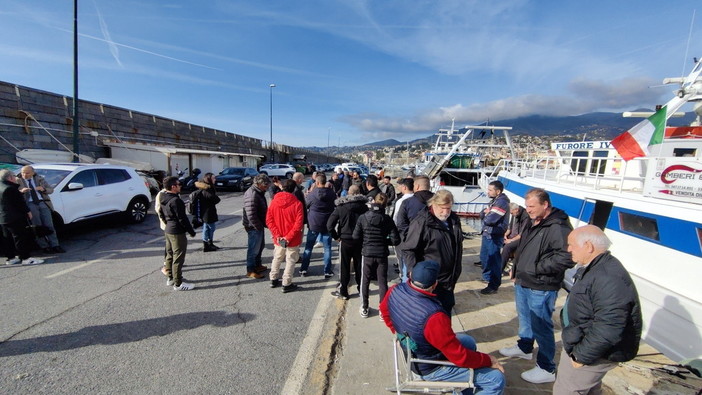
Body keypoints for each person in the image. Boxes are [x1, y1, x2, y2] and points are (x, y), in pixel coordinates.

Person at [380, 260, 506, 394]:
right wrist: (489, 360)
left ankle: (460, 390)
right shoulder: (434, 316)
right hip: (429, 368)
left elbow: (384, 312)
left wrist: (401, 336)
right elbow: (459, 357)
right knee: (496, 379)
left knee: (468, 342)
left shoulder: (395, 290)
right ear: (434, 284)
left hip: (416, 352)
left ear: (411, 275)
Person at [553, 225, 642, 395]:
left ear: (588, 246)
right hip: (583, 342)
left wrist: (581, 356)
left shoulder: (608, 277)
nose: (568, 248)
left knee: (567, 390)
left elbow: (610, 326)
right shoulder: (597, 267)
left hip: (591, 353)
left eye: (571, 244)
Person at [499, 188, 574, 384]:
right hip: (524, 281)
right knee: (525, 318)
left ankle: (547, 367)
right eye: (527, 206)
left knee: (541, 326)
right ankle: (524, 347)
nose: (528, 210)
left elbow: (567, 257)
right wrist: (516, 269)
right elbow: (523, 247)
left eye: (532, 206)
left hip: (541, 285)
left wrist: (535, 268)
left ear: (545, 205)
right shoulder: (533, 221)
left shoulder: (559, 227)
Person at [400, 189, 462, 313]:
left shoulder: (454, 220)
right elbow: (408, 249)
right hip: (431, 281)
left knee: (446, 312)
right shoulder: (421, 222)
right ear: (433, 204)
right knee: (430, 316)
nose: (445, 213)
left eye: (448, 208)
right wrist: (412, 271)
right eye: (442, 208)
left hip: (449, 280)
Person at [352, 193, 400, 318]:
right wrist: (384, 241)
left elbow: (355, 237)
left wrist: (366, 242)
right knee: (382, 281)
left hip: (367, 252)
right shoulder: (387, 219)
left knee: (365, 280)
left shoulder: (363, 217)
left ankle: (364, 307)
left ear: (373, 201)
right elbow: (396, 240)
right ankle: (382, 310)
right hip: (382, 253)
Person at [327, 184, 368, 300]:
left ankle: (343, 291)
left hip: (345, 239)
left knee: (344, 266)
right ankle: (361, 289)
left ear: (348, 193)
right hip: (360, 239)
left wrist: (336, 236)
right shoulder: (365, 208)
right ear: (359, 193)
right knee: (359, 265)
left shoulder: (341, 207)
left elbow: (329, 225)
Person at [157, 176, 196, 291]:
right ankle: (178, 283)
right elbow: (182, 219)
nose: (180, 186)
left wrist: (166, 223)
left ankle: (170, 278)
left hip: (168, 229)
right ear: (173, 187)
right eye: (179, 184)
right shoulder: (176, 200)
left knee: (169, 255)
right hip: (177, 231)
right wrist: (191, 231)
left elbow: (160, 212)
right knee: (178, 257)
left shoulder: (163, 196)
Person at [266, 179, 304, 294]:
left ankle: (273, 278)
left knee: (277, 257)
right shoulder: (297, 204)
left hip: (278, 238)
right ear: (294, 189)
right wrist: (288, 237)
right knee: (290, 260)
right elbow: (298, 224)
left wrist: (277, 235)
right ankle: (286, 283)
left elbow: (269, 220)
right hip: (291, 239)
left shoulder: (274, 201)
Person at [0, 169, 44, 265]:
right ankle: (25, 258)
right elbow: (19, 203)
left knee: (7, 238)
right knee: (20, 238)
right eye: (14, 176)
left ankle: (11, 258)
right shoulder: (11, 188)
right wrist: (28, 211)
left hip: (2, 217)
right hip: (14, 217)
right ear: (10, 177)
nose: (16, 178)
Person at [17, 165, 64, 253]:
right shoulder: (18, 181)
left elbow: (51, 190)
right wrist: (21, 191)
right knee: (37, 226)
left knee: (49, 224)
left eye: (27, 173)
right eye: (23, 172)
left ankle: (55, 245)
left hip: (42, 202)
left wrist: (43, 189)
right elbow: (13, 193)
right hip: (30, 204)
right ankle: (44, 246)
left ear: (33, 173)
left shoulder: (39, 179)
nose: (24, 175)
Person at [300, 173, 336, 277]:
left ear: (317, 182)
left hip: (314, 223)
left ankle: (304, 269)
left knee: (308, 248)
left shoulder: (312, 194)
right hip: (327, 223)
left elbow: (306, 205)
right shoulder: (331, 194)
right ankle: (327, 271)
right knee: (327, 248)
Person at [478, 181, 510, 295]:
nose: (488, 192)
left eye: (490, 190)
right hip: (488, 233)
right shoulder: (494, 201)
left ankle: (493, 285)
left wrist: (487, 214)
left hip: (494, 235)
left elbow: (489, 220)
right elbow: (482, 214)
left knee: (494, 261)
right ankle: (487, 277)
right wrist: (486, 213)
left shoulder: (501, 202)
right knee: (485, 257)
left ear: (498, 191)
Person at [243, 174, 271, 279]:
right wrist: (258, 226)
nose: (267, 187)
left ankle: (257, 265)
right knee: (253, 249)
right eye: (265, 185)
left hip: (258, 224)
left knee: (260, 246)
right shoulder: (252, 194)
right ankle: (250, 270)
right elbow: (250, 214)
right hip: (253, 226)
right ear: (258, 184)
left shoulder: (258, 192)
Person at [392, 177, 414, 281]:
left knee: (401, 256)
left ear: (404, 187)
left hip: (401, 233)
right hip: (414, 233)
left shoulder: (401, 201)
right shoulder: (417, 199)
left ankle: (402, 276)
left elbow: (396, 218)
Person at [193, 172, 221, 252]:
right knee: (210, 228)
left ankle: (209, 243)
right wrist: (216, 199)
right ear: (209, 179)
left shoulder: (207, 188)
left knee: (207, 228)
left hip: (207, 211)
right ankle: (207, 244)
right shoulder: (206, 189)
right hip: (207, 212)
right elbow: (215, 199)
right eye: (213, 178)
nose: (215, 179)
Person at [501, 203, 530, 275]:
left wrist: (510, 240)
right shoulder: (514, 215)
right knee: (499, 241)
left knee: (507, 247)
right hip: (513, 236)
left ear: (516, 210)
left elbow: (521, 235)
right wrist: (505, 235)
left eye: (512, 213)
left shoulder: (526, 217)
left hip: (522, 239)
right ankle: (501, 264)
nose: (511, 214)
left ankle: (500, 269)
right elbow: (509, 229)